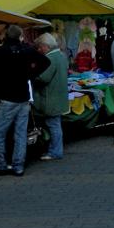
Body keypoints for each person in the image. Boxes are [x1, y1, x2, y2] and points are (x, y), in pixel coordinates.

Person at [0, 24, 51, 175]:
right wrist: (30, 74)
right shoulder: (27, 50)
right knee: (20, 133)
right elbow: (45, 62)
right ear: (20, 36)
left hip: (6, 98)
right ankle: (19, 166)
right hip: (23, 97)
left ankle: (0, 164)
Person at [32, 33, 70, 161]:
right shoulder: (62, 56)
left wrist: (32, 76)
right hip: (59, 96)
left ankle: (55, 151)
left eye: (39, 47)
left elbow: (44, 78)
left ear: (45, 46)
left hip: (50, 98)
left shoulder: (50, 58)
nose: (38, 50)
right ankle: (55, 150)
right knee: (55, 125)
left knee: (53, 126)